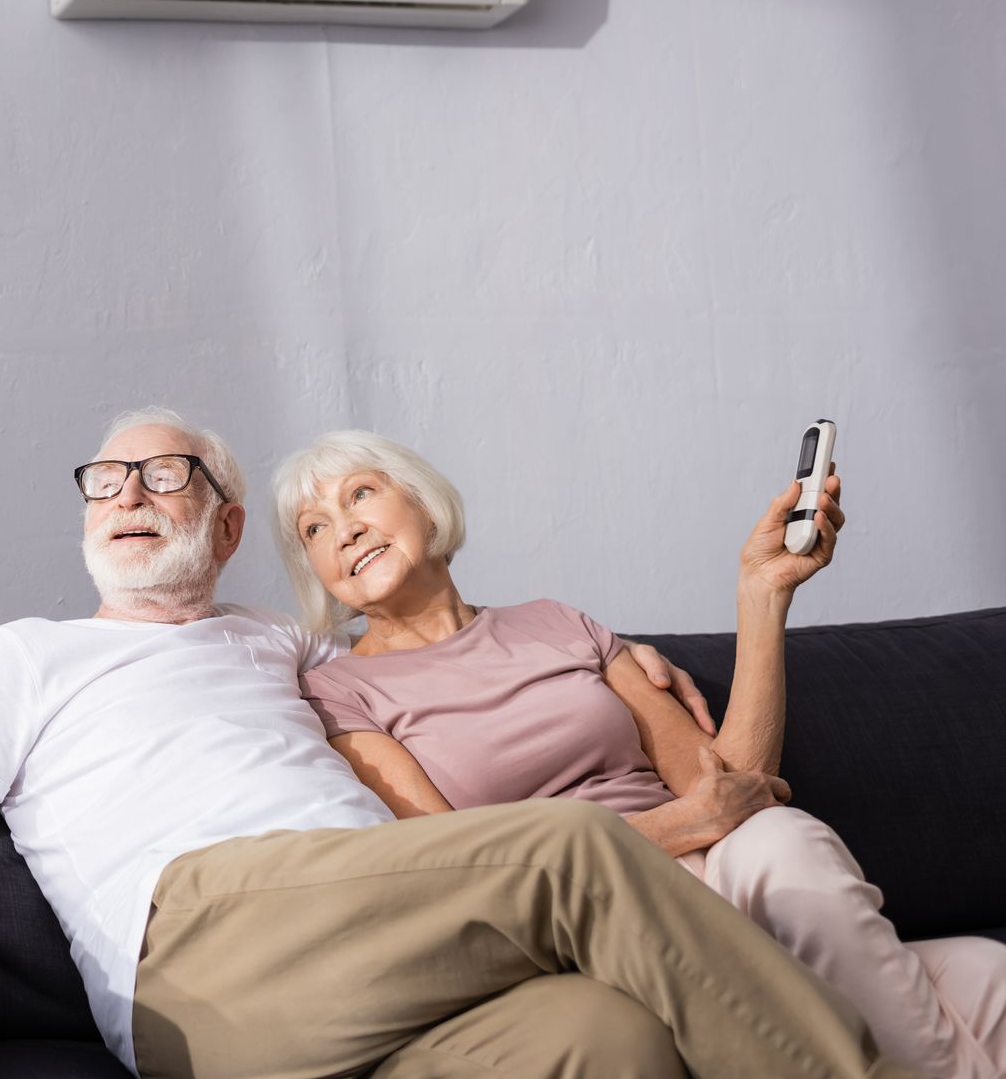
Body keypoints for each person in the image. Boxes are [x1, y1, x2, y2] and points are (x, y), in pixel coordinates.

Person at [0, 408, 925, 1079]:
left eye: (167, 473)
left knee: (614, 1040)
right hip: (209, 948)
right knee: (568, 851)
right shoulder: (32, 655)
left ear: (223, 526)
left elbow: (438, 659)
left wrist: (617, 662)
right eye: (106, 479)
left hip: (386, 966)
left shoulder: (285, 648)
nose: (129, 492)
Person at [278, 428, 1006, 1079]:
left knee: (980, 967)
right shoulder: (343, 694)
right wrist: (682, 827)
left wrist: (762, 592)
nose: (342, 529)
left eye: (361, 494)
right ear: (315, 568)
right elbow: (462, 872)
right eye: (315, 527)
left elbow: (729, 786)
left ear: (427, 506)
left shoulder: (556, 623)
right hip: (605, 918)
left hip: (726, 875)